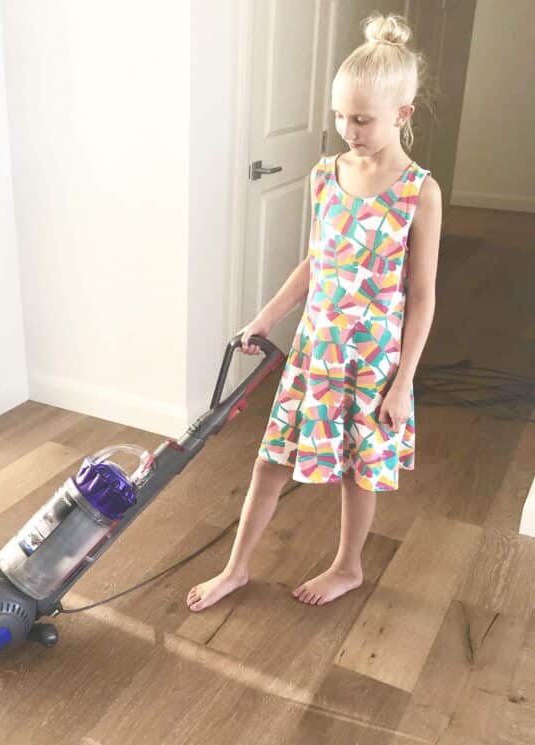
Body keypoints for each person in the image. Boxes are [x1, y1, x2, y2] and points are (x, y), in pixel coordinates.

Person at [187, 12, 442, 611]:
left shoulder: (418, 193)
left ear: (401, 115)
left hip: (374, 360)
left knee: (359, 472)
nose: (347, 130)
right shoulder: (325, 176)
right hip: (314, 353)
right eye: (339, 116)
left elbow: (424, 293)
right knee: (270, 463)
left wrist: (403, 382)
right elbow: (316, 261)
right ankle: (236, 569)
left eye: (361, 119)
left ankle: (348, 566)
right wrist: (267, 317)